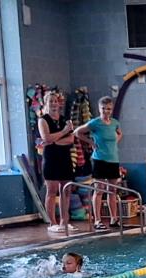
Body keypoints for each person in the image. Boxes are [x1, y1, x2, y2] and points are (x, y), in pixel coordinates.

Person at [75, 96, 122, 230]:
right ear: (99, 109)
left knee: (112, 190)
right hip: (100, 159)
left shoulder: (115, 123)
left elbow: (120, 133)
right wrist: (91, 142)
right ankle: (97, 220)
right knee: (99, 189)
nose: (106, 111)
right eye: (103, 108)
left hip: (113, 159)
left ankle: (114, 218)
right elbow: (77, 132)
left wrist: (115, 142)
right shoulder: (95, 123)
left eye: (109, 109)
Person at [38, 90, 77, 233]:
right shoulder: (43, 120)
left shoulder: (65, 120)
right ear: (46, 104)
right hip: (51, 159)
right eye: (51, 101)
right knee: (52, 191)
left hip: (64, 157)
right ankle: (52, 222)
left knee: (66, 190)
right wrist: (63, 132)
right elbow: (46, 138)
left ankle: (64, 221)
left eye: (56, 101)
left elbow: (71, 139)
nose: (54, 104)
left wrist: (55, 140)